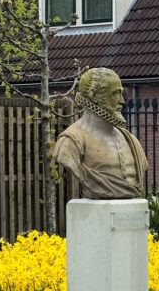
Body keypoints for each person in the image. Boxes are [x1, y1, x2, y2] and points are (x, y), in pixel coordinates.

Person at [53, 68, 147, 199]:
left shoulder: (131, 141)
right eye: (116, 94)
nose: (122, 101)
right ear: (94, 95)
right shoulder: (71, 141)